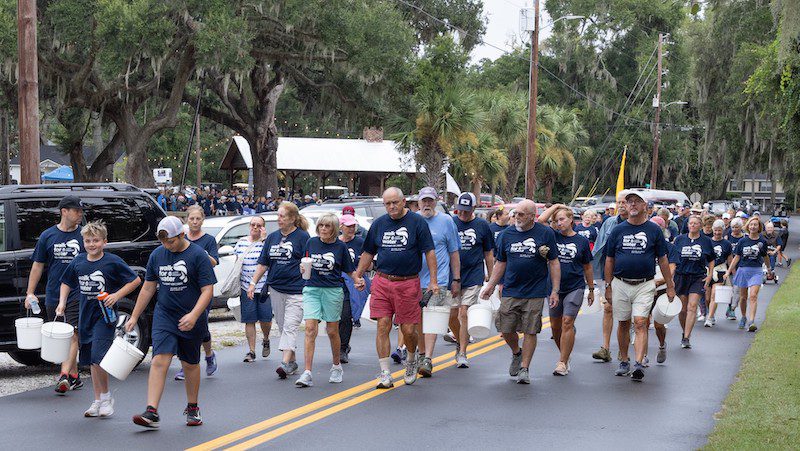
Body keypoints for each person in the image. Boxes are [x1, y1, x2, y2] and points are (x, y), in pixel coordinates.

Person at [128, 216, 217, 428]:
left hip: (191, 316)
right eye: (163, 242)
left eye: (171, 241)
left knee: (189, 364)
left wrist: (194, 315)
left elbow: (208, 290)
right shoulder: (158, 255)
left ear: (182, 235)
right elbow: (149, 287)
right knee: (160, 359)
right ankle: (151, 411)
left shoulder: (198, 255)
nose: (167, 245)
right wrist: (133, 316)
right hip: (165, 315)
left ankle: (193, 407)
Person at [352, 187, 437, 389]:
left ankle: (410, 359)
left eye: (395, 202)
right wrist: (358, 274)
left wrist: (433, 281)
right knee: (382, 325)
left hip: (408, 282)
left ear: (404, 201)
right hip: (382, 281)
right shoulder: (379, 224)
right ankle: (385, 373)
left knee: (408, 329)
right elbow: (368, 252)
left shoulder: (417, 223)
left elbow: (430, 252)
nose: (391, 207)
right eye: (387, 204)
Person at [58, 221, 141, 418]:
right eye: (88, 241)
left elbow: (135, 280)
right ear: (83, 242)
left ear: (104, 241)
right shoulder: (78, 261)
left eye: (96, 240)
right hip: (85, 315)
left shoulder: (112, 261)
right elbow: (66, 282)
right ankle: (98, 400)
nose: (91, 244)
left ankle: (106, 397)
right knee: (91, 361)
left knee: (98, 356)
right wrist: (62, 302)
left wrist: (116, 296)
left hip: (105, 317)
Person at [480, 200, 560, 384]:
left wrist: (555, 290)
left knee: (530, 330)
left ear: (533, 216)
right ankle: (517, 352)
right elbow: (501, 262)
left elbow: (554, 262)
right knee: (505, 328)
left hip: (536, 290)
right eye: (515, 213)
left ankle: (525, 368)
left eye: (522, 214)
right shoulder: (506, 235)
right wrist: (491, 285)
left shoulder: (545, 233)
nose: (516, 217)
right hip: (511, 289)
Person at [604, 191, 675, 382]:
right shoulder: (618, 230)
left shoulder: (654, 231)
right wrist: (608, 285)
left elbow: (662, 259)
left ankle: (637, 364)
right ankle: (624, 361)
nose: (633, 205)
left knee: (641, 322)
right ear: (625, 206)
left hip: (645, 284)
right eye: (629, 202)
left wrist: (670, 285)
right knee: (623, 323)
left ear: (645, 207)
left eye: (637, 202)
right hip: (620, 283)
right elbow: (609, 259)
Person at [294, 214, 364, 387]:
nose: (323, 229)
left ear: (334, 229)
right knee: (310, 328)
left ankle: (336, 366)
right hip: (311, 289)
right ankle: (307, 372)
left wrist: (358, 281)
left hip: (333, 290)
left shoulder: (340, 247)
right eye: (321, 226)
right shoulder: (312, 242)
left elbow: (349, 270)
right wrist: (302, 267)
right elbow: (305, 262)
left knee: (332, 330)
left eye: (327, 226)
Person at [25, 195, 85, 394]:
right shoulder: (47, 236)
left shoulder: (84, 236)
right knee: (61, 336)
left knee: (73, 334)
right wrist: (30, 293)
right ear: (64, 211)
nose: (80, 214)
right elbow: (38, 265)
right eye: (77, 211)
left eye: (81, 211)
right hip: (53, 293)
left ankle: (64, 376)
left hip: (78, 292)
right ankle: (75, 376)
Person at [247, 202, 310, 379]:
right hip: (276, 289)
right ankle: (292, 362)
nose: (279, 219)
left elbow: (309, 261)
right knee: (283, 326)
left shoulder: (303, 237)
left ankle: (283, 363)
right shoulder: (273, 238)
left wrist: (306, 271)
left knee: (290, 326)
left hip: (296, 290)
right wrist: (253, 283)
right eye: (278, 216)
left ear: (292, 218)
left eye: (282, 216)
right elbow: (264, 263)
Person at [537, 204, 593, 376]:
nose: (559, 223)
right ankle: (565, 355)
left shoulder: (581, 241)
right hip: (554, 288)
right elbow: (540, 220)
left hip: (574, 286)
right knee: (555, 326)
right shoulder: (552, 236)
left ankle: (561, 362)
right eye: (556, 220)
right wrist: (556, 206)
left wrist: (591, 288)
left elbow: (588, 267)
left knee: (567, 322)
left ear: (571, 220)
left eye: (562, 219)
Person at [415, 187, 461, 378]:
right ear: (418, 202)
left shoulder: (446, 221)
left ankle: (427, 359)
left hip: (438, 280)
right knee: (417, 321)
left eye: (430, 201)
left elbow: (454, 251)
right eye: (424, 201)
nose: (427, 204)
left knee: (433, 318)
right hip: (413, 279)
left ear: (436, 202)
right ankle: (422, 352)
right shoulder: (413, 220)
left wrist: (456, 278)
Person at [175, 206, 220, 381]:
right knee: (183, 326)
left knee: (200, 327)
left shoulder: (208, 240)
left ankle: (208, 355)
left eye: (198, 219)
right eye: (191, 219)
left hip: (202, 288)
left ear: (202, 220)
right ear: (187, 220)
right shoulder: (181, 239)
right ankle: (185, 365)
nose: (194, 222)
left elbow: (214, 262)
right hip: (184, 288)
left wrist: (198, 252)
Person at [451, 193, 494, 368]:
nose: (463, 214)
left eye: (466, 211)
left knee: (463, 312)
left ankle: (462, 352)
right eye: (460, 210)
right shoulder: (451, 222)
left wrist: (491, 279)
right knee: (451, 315)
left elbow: (488, 253)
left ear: (474, 209)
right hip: (453, 275)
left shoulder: (482, 225)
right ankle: (461, 338)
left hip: (473, 274)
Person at [589, 191, 628, 363]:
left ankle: (623, 349)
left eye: (624, 202)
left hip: (630, 274)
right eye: (618, 202)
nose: (620, 206)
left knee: (626, 314)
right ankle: (605, 348)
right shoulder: (609, 223)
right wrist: (592, 272)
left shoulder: (640, 225)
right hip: (609, 273)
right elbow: (598, 248)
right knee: (608, 309)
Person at [672, 216, 715, 349]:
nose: (693, 225)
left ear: (700, 226)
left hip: (698, 277)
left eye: (696, 223)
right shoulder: (679, 240)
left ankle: (686, 337)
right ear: (688, 225)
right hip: (681, 276)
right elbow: (672, 258)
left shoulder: (706, 241)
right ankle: (684, 331)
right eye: (691, 223)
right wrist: (670, 277)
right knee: (683, 309)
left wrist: (710, 275)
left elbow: (712, 259)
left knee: (692, 306)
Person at [235, 216, 272, 362]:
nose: (255, 228)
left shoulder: (267, 243)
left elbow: (269, 260)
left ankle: (266, 338)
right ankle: (251, 351)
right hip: (246, 286)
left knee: (266, 319)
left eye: (259, 225)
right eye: (253, 225)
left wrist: (263, 240)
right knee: (249, 319)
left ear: (263, 227)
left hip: (264, 287)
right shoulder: (241, 242)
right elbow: (237, 263)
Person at [725, 218, 771, 332]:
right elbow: (736, 257)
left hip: (756, 270)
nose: (753, 227)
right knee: (743, 297)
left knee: (753, 295)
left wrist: (769, 268)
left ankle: (751, 321)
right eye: (751, 225)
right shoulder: (742, 241)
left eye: (755, 225)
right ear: (748, 226)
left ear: (759, 227)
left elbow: (765, 256)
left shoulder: (762, 241)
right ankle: (744, 316)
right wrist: (728, 271)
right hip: (743, 270)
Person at [339, 214, 371, 362]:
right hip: (335, 282)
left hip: (353, 282)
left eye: (353, 226)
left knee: (346, 316)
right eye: (348, 226)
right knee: (335, 319)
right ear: (341, 227)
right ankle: (338, 344)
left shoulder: (360, 242)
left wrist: (360, 270)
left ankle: (343, 348)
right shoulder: (335, 243)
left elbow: (369, 264)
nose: (352, 229)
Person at [705, 220, 733, 327]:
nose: (717, 233)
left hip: (720, 270)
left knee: (714, 295)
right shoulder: (707, 242)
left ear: (723, 231)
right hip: (707, 271)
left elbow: (730, 260)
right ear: (713, 230)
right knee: (707, 297)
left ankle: (710, 317)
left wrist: (729, 272)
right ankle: (710, 312)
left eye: (719, 231)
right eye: (715, 230)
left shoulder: (727, 244)